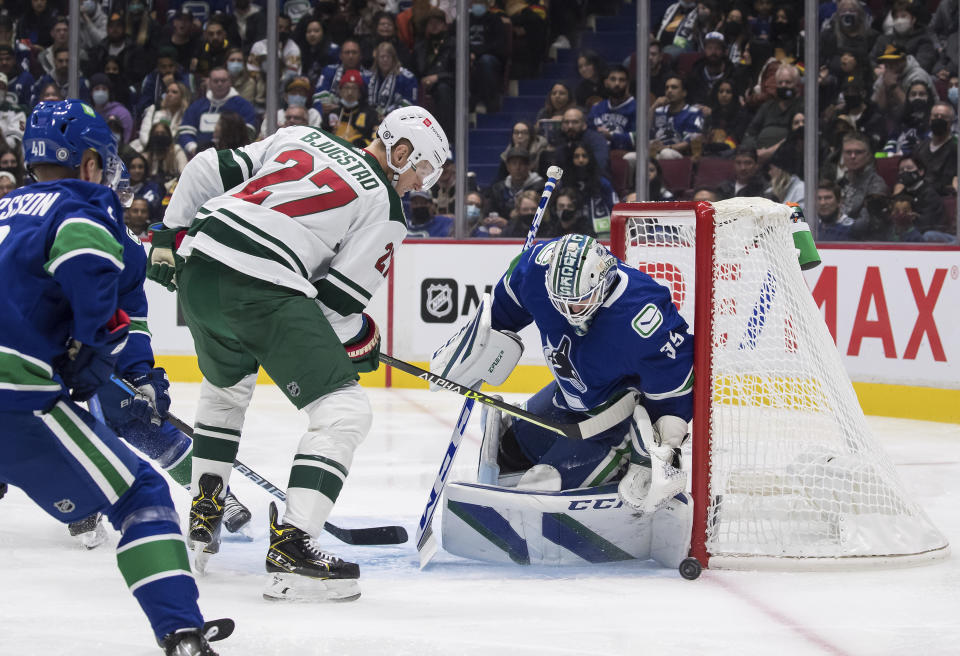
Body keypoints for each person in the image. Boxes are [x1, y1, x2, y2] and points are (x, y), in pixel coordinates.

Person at [145, 105, 449, 601]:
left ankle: (205, 515)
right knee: (344, 412)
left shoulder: (301, 136)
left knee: (225, 393)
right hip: (261, 282)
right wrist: (360, 341)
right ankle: (294, 546)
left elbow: (205, 169)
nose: (419, 183)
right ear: (400, 151)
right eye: (421, 169)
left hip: (198, 265)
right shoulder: (385, 209)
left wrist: (166, 234)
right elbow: (334, 307)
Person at [0, 98, 229, 655]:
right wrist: (92, 348)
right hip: (13, 391)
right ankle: (181, 633)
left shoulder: (6, 209)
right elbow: (89, 276)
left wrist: (115, 361)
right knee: (141, 495)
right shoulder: (84, 206)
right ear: (88, 164)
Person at [473, 233, 693, 513]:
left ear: (603, 280)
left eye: (579, 300)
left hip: (615, 422)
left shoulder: (641, 314)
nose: (569, 311)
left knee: (543, 491)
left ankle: (624, 459)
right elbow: (505, 306)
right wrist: (481, 342)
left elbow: (676, 383)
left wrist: (660, 451)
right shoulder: (536, 269)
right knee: (509, 449)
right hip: (569, 397)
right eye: (560, 300)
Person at [178, 67, 257, 158]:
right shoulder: (196, 106)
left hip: (233, 157)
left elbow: (248, 132)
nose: (219, 84)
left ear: (230, 82)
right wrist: (195, 149)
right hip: (200, 157)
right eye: (216, 81)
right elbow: (185, 131)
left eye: (223, 81)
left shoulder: (243, 106)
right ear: (209, 83)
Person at [743, 63, 802, 163]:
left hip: (784, 158)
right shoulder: (767, 107)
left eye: (788, 82)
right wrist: (753, 152)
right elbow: (750, 133)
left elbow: (796, 137)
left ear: (796, 86)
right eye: (780, 83)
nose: (783, 86)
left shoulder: (802, 107)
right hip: (758, 156)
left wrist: (769, 152)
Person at [563, 142, 618, 238]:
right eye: (576, 156)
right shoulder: (565, 183)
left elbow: (615, 207)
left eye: (584, 156)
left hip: (601, 234)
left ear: (590, 158)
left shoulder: (602, 183)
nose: (581, 160)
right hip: (571, 232)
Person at [891, 156, 952, 241]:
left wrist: (911, 219)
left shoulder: (930, 194)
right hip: (907, 236)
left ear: (921, 171)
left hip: (931, 237)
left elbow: (929, 223)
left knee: (928, 235)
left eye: (909, 168)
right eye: (901, 170)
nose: (905, 172)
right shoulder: (901, 195)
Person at [312, 38, 371, 117]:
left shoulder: (369, 76)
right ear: (340, 56)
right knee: (313, 113)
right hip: (330, 116)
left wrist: (340, 109)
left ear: (360, 56)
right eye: (347, 52)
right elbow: (319, 97)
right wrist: (322, 107)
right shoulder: (329, 71)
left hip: (359, 116)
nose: (351, 56)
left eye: (354, 52)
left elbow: (370, 103)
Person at [650, 76, 704, 160]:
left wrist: (666, 147)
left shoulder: (693, 113)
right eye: (667, 88)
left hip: (679, 154)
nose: (669, 91)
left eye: (674, 87)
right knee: (630, 157)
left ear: (684, 93)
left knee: (666, 154)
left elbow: (689, 142)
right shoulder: (658, 111)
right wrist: (653, 107)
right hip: (656, 152)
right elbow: (644, 132)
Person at [838, 132, 888, 221]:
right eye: (848, 152)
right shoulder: (840, 182)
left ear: (868, 156)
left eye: (858, 152)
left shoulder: (876, 184)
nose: (852, 156)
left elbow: (867, 224)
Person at [912, 102, 958, 196]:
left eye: (944, 117)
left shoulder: (955, 148)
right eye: (935, 116)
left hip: (939, 197)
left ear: (951, 122)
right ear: (930, 120)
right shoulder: (920, 147)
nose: (939, 119)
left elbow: (946, 181)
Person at [486, 147, 545, 220]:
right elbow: (490, 213)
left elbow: (545, 215)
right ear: (507, 167)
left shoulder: (541, 188)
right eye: (514, 163)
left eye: (522, 164)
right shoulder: (498, 188)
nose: (518, 168)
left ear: (529, 166)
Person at [587, 65, 636, 152]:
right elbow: (587, 133)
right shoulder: (597, 108)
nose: (617, 83)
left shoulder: (637, 108)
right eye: (613, 79)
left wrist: (611, 136)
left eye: (622, 80)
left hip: (625, 154)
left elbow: (637, 137)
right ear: (606, 83)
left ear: (628, 84)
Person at [326, 69, 379, 148]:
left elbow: (375, 142)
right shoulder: (332, 113)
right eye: (346, 88)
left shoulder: (371, 114)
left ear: (360, 93)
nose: (350, 92)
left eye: (354, 88)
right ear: (340, 91)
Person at [367, 41, 418, 119]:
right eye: (382, 57)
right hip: (373, 119)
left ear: (394, 59)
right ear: (377, 59)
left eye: (388, 56)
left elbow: (409, 104)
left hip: (398, 120)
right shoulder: (369, 78)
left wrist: (390, 116)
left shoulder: (407, 78)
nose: (385, 60)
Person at [138, 81, 190, 151]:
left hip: (172, 151)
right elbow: (144, 132)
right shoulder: (154, 109)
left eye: (174, 92)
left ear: (182, 96)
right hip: (147, 148)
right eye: (167, 92)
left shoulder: (187, 115)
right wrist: (152, 147)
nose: (169, 94)